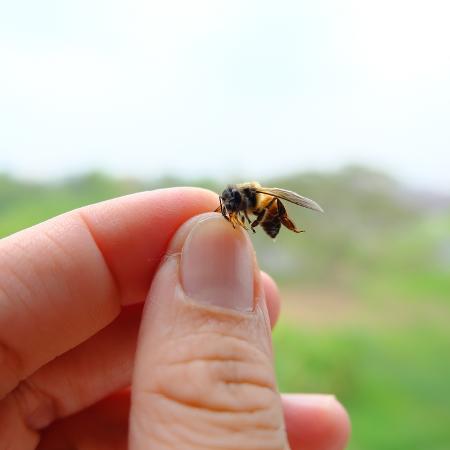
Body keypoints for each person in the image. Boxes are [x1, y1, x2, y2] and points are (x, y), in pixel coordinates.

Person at [0, 187, 350, 450]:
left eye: (231, 206)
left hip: (269, 213)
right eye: (227, 206)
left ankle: (280, 224)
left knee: (272, 211)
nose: (227, 210)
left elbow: (272, 204)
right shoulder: (237, 203)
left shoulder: (259, 198)